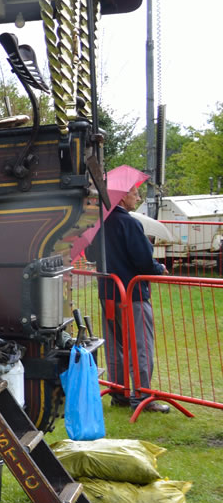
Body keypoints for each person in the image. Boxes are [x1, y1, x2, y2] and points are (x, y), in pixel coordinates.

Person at [88, 167, 170, 412]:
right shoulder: (129, 223)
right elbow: (143, 261)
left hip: (108, 292)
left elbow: (90, 255)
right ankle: (142, 396)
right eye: (135, 193)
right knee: (140, 346)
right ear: (123, 197)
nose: (138, 197)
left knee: (115, 346)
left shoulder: (99, 223)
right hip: (132, 294)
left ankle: (119, 392)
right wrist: (159, 268)